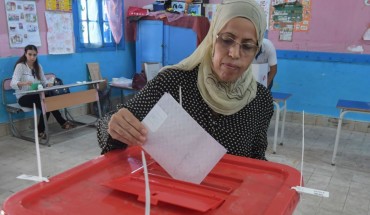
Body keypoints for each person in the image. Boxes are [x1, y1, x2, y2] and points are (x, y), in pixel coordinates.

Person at [97, 0, 274, 160]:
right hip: (170, 193)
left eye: (247, 46)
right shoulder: (172, 83)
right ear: (212, 39)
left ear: (256, 50)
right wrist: (114, 126)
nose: (235, 53)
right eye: (227, 40)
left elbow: (257, 160)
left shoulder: (260, 100)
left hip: (228, 194)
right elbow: (108, 126)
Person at [10, 45, 74, 139]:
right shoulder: (20, 66)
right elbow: (12, 83)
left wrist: (48, 84)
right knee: (45, 103)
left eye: (34, 55)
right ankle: (60, 123)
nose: (32, 57)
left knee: (47, 102)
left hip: (36, 95)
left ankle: (42, 130)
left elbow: (43, 81)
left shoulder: (38, 66)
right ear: (25, 54)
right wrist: (24, 83)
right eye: (30, 54)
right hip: (23, 97)